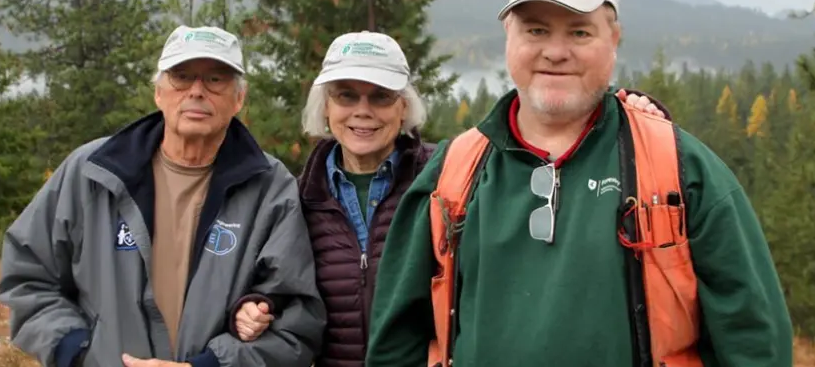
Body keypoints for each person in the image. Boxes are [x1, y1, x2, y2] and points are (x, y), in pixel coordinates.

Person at [364, 0, 794, 367]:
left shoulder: (681, 170)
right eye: (535, 31)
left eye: (579, 32)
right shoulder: (453, 173)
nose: (555, 51)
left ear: (614, 39)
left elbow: (753, 339)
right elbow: (396, 342)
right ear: (508, 37)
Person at [229, 31, 670, 367]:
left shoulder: (452, 178)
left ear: (404, 106)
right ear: (325, 106)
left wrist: (624, 112)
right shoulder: (297, 196)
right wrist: (251, 307)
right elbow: (273, 285)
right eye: (346, 95)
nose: (363, 110)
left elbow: (540, 135)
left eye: (381, 96)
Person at [0, 25, 326, 367]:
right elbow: (28, 274)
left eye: (215, 79)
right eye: (181, 77)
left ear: (239, 98)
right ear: (159, 92)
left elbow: (295, 320)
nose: (197, 91)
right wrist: (77, 350)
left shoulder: (271, 189)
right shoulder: (90, 172)